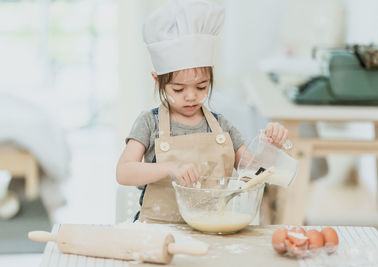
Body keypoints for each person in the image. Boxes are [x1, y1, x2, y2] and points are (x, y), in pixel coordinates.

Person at [116, 0, 289, 224]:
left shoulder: (221, 127)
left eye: (201, 87)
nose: (191, 96)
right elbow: (124, 172)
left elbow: (255, 173)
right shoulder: (150, 123)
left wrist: (271, 145)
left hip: (212, 227)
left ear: (211, 76)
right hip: (157, 229)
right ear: (158, 81)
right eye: (178, 89)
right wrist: (170, 167)